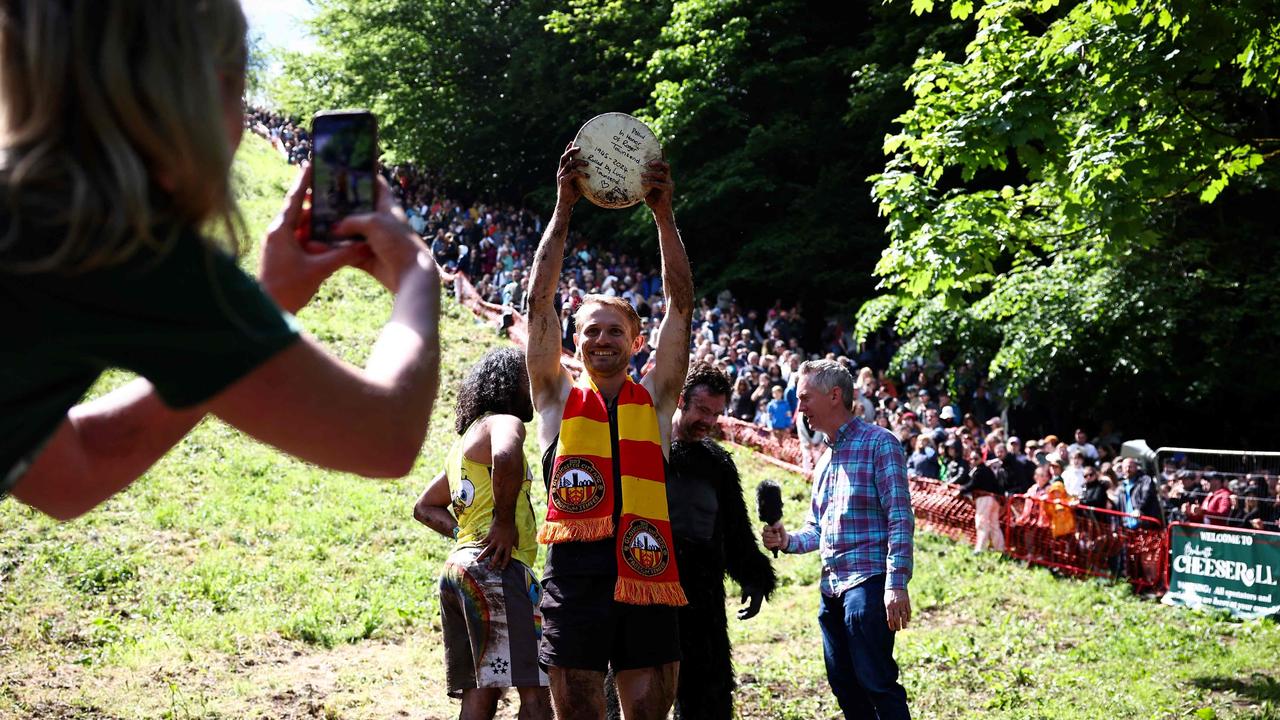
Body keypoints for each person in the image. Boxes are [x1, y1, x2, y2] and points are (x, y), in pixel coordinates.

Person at [2, 1, 441, 519]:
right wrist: (416, 272)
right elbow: (383, 434)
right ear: (198, 92)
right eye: (238, 80)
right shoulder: (119, 242)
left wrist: (269, 300)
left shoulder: (32, 216)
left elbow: (74, 472)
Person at [524, 143, 693, 720]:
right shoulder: (555, 395)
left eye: (614, 331)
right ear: (575, 343)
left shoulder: (659, 400)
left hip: (648, 572)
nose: (602, 340)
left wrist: (663, 216)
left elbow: (680, 305)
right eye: (591, 331)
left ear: (636, 342)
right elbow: (538, 305)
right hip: (575, 580)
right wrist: (563, 208)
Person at [605, 362, 776, 720]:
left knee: (707, 695)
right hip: (645, 586)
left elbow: (734, 530)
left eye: (716, 413)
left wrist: (755, 576)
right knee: (634, 693)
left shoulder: (719, 464)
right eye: (702, 410)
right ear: (681, 400)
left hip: (702, 596)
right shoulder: (644, 447)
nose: (709, 421)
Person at [762, 360, 914, 720]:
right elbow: (818, 529)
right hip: (830, 591)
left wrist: (896, 584)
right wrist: (786, 540)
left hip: (869, 584)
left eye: (805, 398)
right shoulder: (825, 459)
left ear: (834, 396)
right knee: (843, 684)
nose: (800, 408)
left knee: (876, 682)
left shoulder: (881, 444)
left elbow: (900, 517)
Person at [413, 348, 551, 720]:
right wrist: (502, 523)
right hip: (498, 569)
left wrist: (467, 537)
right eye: (527, 378)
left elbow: (423, 507)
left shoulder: (462, 446)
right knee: (536, 689)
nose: (533, 386)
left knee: (480, 692)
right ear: (509, 383)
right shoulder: (504, 421)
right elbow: (507, 455)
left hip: (459, 571)